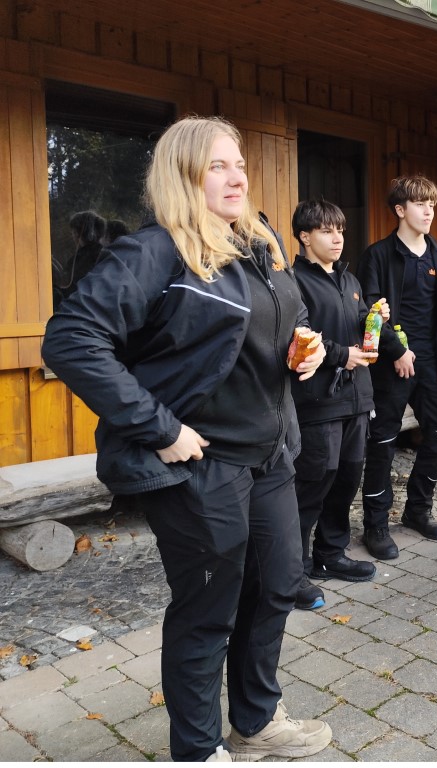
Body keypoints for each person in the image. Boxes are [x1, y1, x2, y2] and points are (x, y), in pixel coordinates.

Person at [42, 116, 333, 762]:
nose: (237, 177)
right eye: (217, 166)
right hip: (201, 465)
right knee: (208, 610)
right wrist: (160, 427)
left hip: (269, 456)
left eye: (240, 165)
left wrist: (303, 350)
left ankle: (256, 722)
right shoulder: (155, 252)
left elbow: (280, 324)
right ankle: (199, 751)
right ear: (183, 174)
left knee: (276, 586)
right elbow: (71, 340)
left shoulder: (255, 246)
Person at [357, 175, 437, 559]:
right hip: (391, 365)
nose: (429, 211)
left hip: (432, 364)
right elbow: (368, 311)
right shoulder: (378, 255)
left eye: (432, 204)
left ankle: (418, 510)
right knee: (382, 443)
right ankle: (376, 525)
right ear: (400, 210)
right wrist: (397, 349)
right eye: (420, 204)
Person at [290, 199, 381, 608]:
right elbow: (297, 336)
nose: (337, 238)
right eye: (327, 231)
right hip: (318, 402)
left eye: (340, 230)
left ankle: (330, 554)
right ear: (305, 236)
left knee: (346, 480)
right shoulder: (293, 281)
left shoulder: (349, 279)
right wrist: (343, 354)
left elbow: (358, 324)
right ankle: (292, 571)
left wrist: (373, 318)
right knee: (312, 485)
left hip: (357, 398)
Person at [53, 210, 106, 307]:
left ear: (78, 233)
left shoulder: (84, 258)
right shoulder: (105, 253)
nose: (73, 236)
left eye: (73, 232)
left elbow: (71, 288)